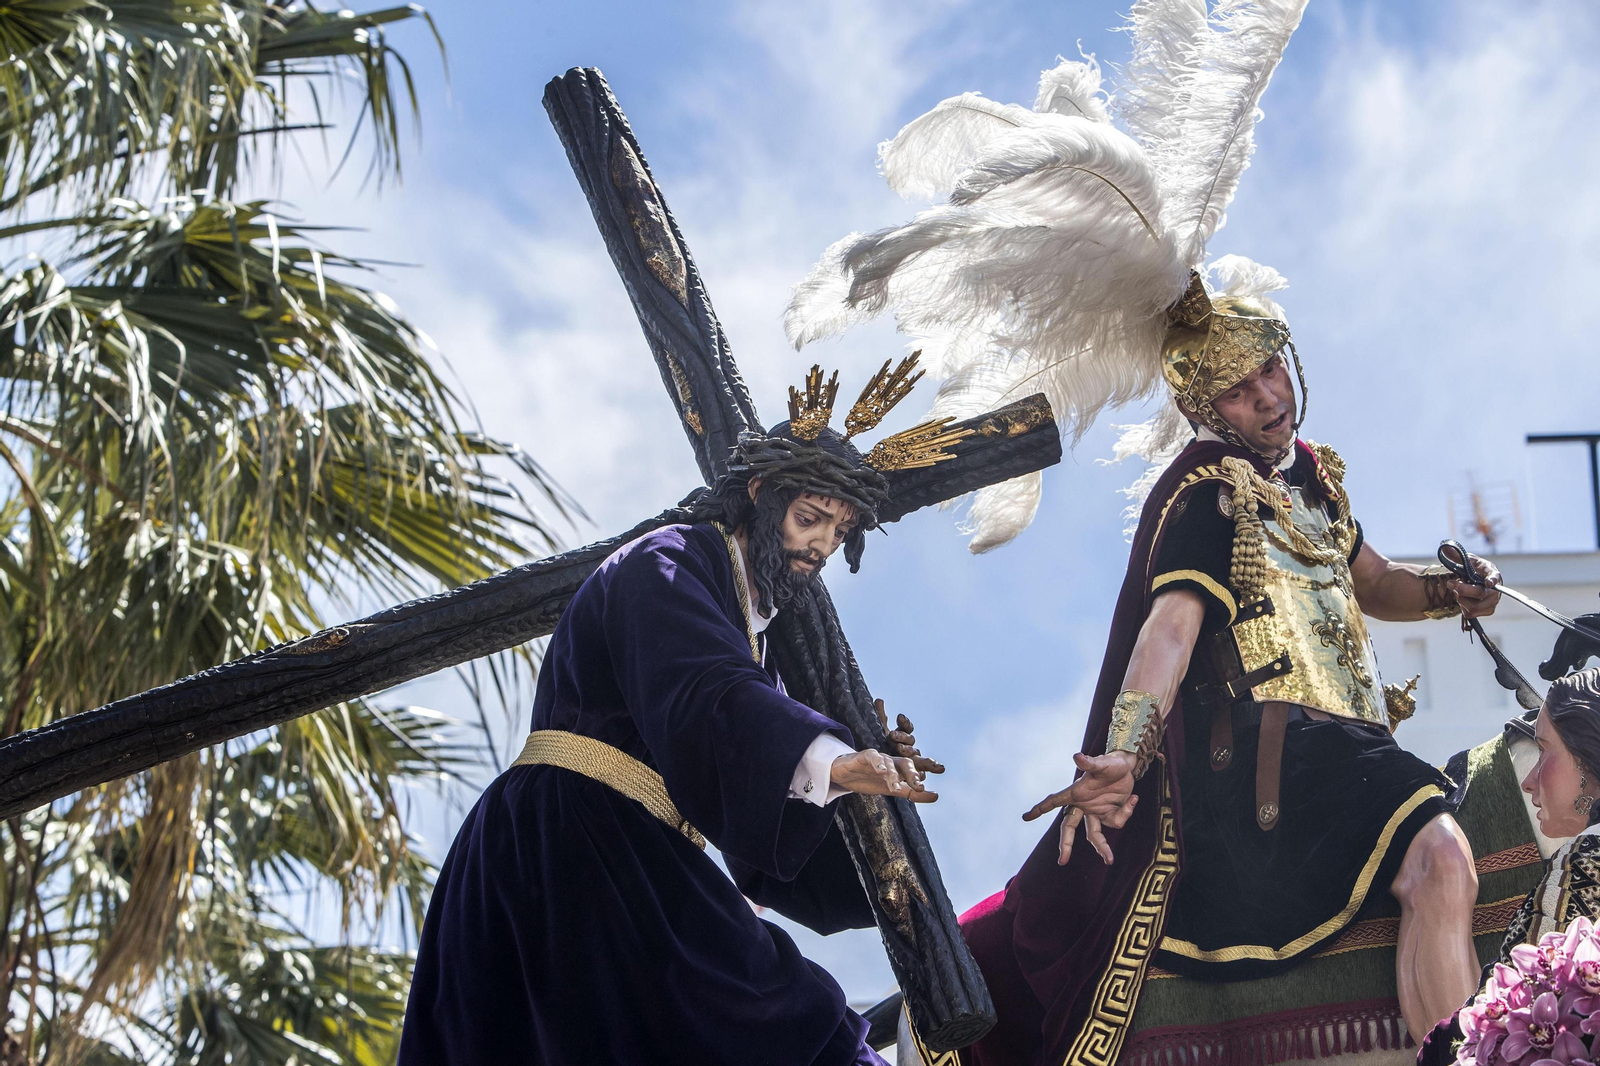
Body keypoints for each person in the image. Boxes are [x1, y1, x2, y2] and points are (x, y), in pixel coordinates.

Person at [779, 7, 1503, 1061]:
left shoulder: (1311, 480)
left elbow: (1376, 583)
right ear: (1206, 412)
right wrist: (1120, 755)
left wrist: (1452, 593)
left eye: (1271, 370)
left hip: (1345, 750)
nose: (1269, 396)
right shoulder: (1210, 488)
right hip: (1266, 763)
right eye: (1242, 388)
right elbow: (1168, 632)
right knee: (1441, 853)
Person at [396, 361, 954, 1066]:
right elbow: (703, 690)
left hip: (607, 845)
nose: (818, 545)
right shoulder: (671, 558)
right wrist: (832, 760)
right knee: (777, 1018)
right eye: (808, 517)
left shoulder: (753, 637)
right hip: (578, 832)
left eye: (837, 533)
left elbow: (748, 811)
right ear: (759, 493)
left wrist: (854, 781)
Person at [1416, 667, 1600, 1066]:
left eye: (1544, 752)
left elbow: (1519, 1018)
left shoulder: (1583, 863)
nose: (1529, 780)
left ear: (1587, 762)